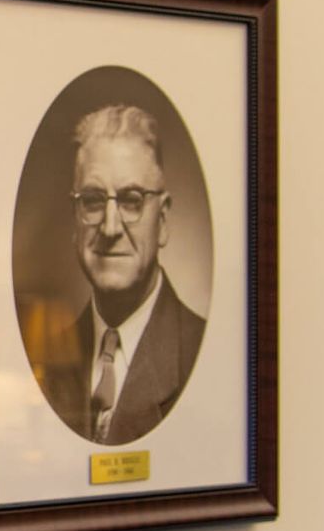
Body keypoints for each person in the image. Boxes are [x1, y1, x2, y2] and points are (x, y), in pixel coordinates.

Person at [34, 103, 206, 445]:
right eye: (94, 201)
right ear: (75, 217)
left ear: (163, 220)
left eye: (131, 200)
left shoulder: (201, 355)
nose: (110, 227)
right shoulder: (45, 361)